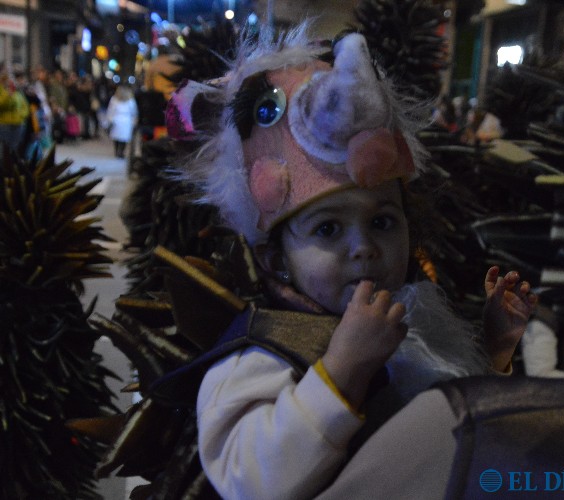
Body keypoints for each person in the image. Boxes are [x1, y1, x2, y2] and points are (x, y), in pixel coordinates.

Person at [165, 23, 537, 499]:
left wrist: (494, 352)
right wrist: (340, 373)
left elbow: (456, 439)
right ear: (275, 260)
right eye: (327, 229)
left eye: (382, 221)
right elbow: (249, 480)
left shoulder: (418, 319)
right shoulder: (260, 353)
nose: (363, 247)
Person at [0, 72, 30, 154]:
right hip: (4, 124)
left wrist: (21, 116)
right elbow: (2, 105)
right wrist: (8, 96)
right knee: (4, 150)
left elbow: (25, 106)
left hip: (18, 124)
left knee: (15, 149)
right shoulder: (2, 92)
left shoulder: (17, 92)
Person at [105, 85, 138, 158]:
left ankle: (117, 151)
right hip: (127, 120)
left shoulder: (114, 99)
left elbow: (110, 110)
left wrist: (109, 119)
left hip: (116, 119)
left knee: (116, 137)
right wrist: (134, 121)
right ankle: (121, 152)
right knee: (124, 138)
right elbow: (134, 111)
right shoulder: (131, 100)